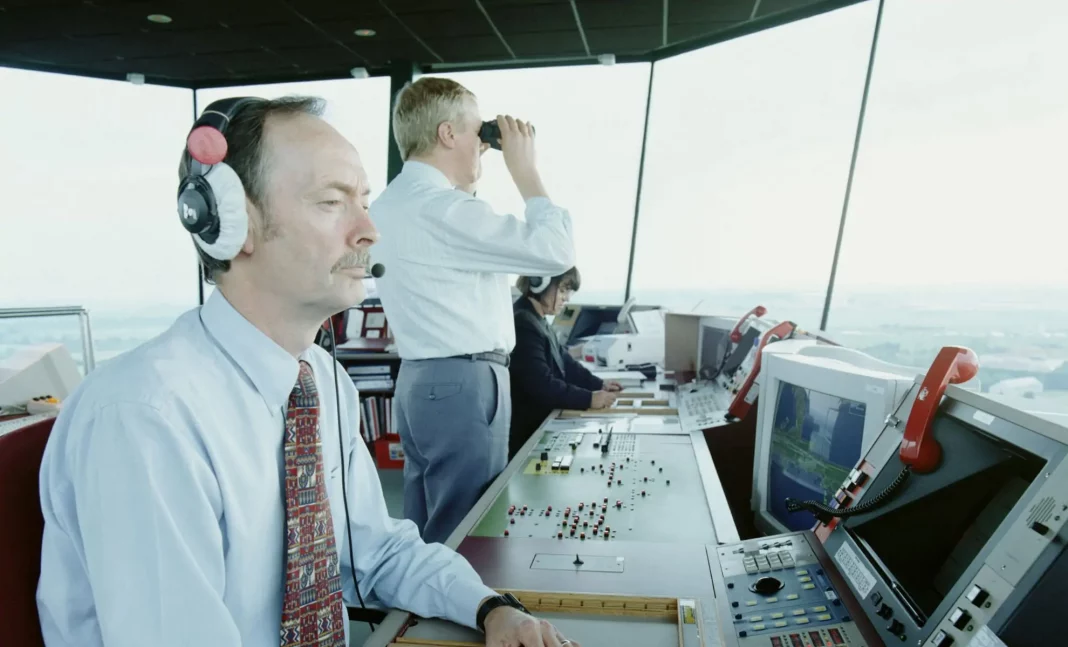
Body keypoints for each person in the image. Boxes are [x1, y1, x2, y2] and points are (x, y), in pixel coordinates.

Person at [36, 96, 579, 647]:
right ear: (232, 223)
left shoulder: (320, 379)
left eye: (363, 202)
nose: (369, 231)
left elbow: (377, 551)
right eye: (331, 202)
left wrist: (489, 608)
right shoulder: (145, 417)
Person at [370, 77, 575, 544]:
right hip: (465, 384)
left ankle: (419, 616)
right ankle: (465, 617)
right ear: (447, 134)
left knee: (429, 529)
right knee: (469, 531)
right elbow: (555, 251)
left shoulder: (391, 204)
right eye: (476, 136)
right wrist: (526, 172)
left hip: (419, 381)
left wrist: (472, 173)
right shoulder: (444, 210)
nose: (483, 149)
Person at [509, 269, 624, 458]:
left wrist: (598, 384)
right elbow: (541, 385)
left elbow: (565, 362)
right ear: (540, 283)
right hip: (526, 434)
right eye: (562, 290)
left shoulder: (537, 319)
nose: (567, 298)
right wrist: (589, 399)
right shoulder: (523, 322)